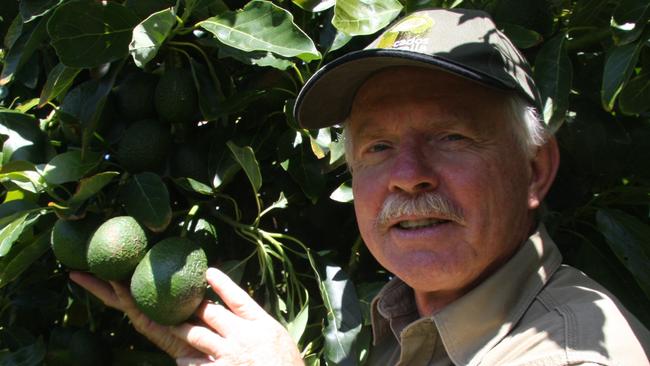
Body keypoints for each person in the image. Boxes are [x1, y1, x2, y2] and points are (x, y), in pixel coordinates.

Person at [71, 8, 650, 366]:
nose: (407, 174)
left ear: (535, 170)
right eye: (377, 147)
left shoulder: (572, 356)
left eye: (450, 137)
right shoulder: (408, 325)